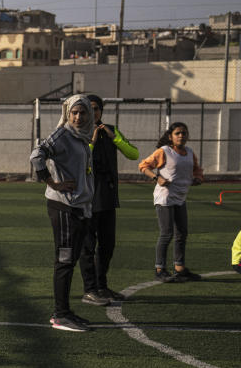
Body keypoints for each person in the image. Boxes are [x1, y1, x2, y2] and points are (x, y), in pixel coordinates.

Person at [28, 94, 96, 333]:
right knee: (65, 261)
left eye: (83, 112)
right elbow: (37, 155)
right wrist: (52, 183)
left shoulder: (83, 136)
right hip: (63, 207)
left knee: (71, 259)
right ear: (67, 114)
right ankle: (59, 315)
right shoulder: (63, 134)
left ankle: (66, 311)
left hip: (79, 207)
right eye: (74, 112)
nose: (78, 117)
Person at [78, 95, 139, 306]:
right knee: (87, 246)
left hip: (107, 196)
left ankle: (102, 286)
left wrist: (115, 138)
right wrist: (92, 142)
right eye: (89, 109)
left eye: (96, 109)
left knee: (108, 244)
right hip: (87, 198)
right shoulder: (79, 133)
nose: (93, 113)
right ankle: (90, 289)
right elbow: (80, 161)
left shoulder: (111, 131)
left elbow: (133, 154)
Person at [138, 122, 204, 282]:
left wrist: (198, 178)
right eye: (178, 133)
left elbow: (197, 170)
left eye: (184, 133)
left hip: (180, 198)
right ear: (170, 136)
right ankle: (160, 269)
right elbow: (143, 165)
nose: (181, 135)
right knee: (167, 233)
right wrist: (156, 178)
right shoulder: (164, 152)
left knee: (182, 233)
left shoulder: (189, 152)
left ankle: (179, 268)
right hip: (165, 198)